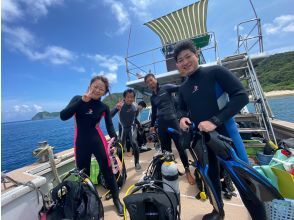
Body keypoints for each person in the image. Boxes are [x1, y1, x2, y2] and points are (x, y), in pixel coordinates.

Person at [174, 40, 249, 220]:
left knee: (244, 178)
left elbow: (241, 96)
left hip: (226, 134)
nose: (185, 62)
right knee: (211, 176)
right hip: (204, 139)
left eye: (188, 56)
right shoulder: (183, 88)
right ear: (177, 64)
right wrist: (182, 118)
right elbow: (181, 109)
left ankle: (258, 214)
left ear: (196, 54)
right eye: (180, 60)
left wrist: (215, 121)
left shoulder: (215, 72)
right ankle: (218, 211)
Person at [60, 75, 123, 216]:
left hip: (97, 140)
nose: (98, 90)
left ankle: (116, 200)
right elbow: (63, 116)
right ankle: (89, 203)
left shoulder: (104, 107)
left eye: (102, 89)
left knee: (107, 170)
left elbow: (110, 126)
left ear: (105, 92)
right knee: (83, 175)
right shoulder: (78, 99)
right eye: (95, 86)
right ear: (90, 86)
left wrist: (116, 141)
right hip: (81, 142)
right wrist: (82, 101)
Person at [144, 73, 195, 185]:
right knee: (166, 151)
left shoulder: (166, 88)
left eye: (151, 80)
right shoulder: (152, 97)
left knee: (180, 147)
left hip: (173, 122)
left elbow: (180, 88)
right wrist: (152, 126)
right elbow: (153, 112)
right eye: (148, 82)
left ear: (155, 79)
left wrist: (191, 80)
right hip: (161, 125)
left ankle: (187, 171)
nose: (150, 83)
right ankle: (173, 170)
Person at [111, 89, 142, 171]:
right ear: (124, 97)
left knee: (134, 143)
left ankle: (137, 163)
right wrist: (116, 108)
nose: (130, 99)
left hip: (131, 127)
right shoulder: (120, 105)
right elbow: (110, 115)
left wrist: (138, 124)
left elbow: (135, 116)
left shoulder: (135, 106)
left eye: (132, 97)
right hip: (123, 128)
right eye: (128, 97)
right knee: (120, 147)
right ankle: (121, 165)